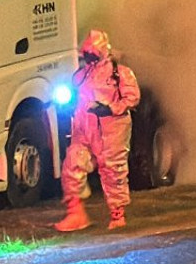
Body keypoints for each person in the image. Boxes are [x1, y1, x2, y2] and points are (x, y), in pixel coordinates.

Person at [55, 29, 141, 232]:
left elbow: (133, 97)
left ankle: (117, 215)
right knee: (72, 164)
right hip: (84, 130)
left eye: (92, 51)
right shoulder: (82, 75)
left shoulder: (119, 73)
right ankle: (76, 214)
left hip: (112, 130)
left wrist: (110, 109)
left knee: (113, 170)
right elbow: (74, 97)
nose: (88, 55)